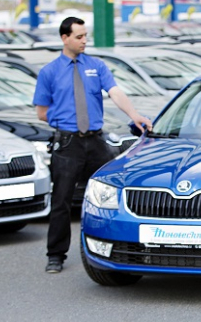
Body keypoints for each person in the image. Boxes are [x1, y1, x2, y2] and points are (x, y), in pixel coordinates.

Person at [33, 17, 152, 274]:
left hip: (96, 142)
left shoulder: (96, 66)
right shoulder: (49, 72)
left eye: (85, 36)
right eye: (78, 37)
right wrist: (66, 120)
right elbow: (41, 112)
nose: (84, 41)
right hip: (68, 143)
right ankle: (55, 255)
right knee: (62, 201)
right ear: (64, 38)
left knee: (115, 192)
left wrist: (134, 115)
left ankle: (124, 247)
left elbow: (115, 92)